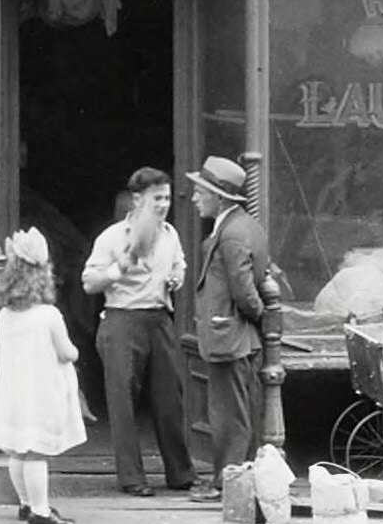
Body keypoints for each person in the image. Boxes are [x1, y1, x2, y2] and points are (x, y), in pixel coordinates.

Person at [81, 167, 195, 498]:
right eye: (156, 198)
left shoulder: (170, 234)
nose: (164, 205)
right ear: (137, 199)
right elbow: (89, 282)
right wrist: (118, 269)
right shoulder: (112, 237)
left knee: (169, 398)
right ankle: (131, 477)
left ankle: (180, 474)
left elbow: (180, 265)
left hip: (159, 319)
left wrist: (176, 278)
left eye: (167, 198)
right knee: (123, 402)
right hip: (122, 320)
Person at [186, 153, 287, 485]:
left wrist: (260, 317)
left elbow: (244, 292)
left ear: (219, 198)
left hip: (229, 334)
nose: (194, 198)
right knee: (237, 411)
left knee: (229, 415)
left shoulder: (231, 234)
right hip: (233, 332)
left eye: (200, 192)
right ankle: (234, 480)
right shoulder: (244, 225)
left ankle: (227, 482)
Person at [0, 231, 86, 524]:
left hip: (16, 391)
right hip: (42, 391)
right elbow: (66, 352)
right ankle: (41, 511)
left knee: (19, 449)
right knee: (37, 452)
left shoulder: (6, 314)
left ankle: (26, 503)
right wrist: (76, 352)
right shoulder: (48, 315)